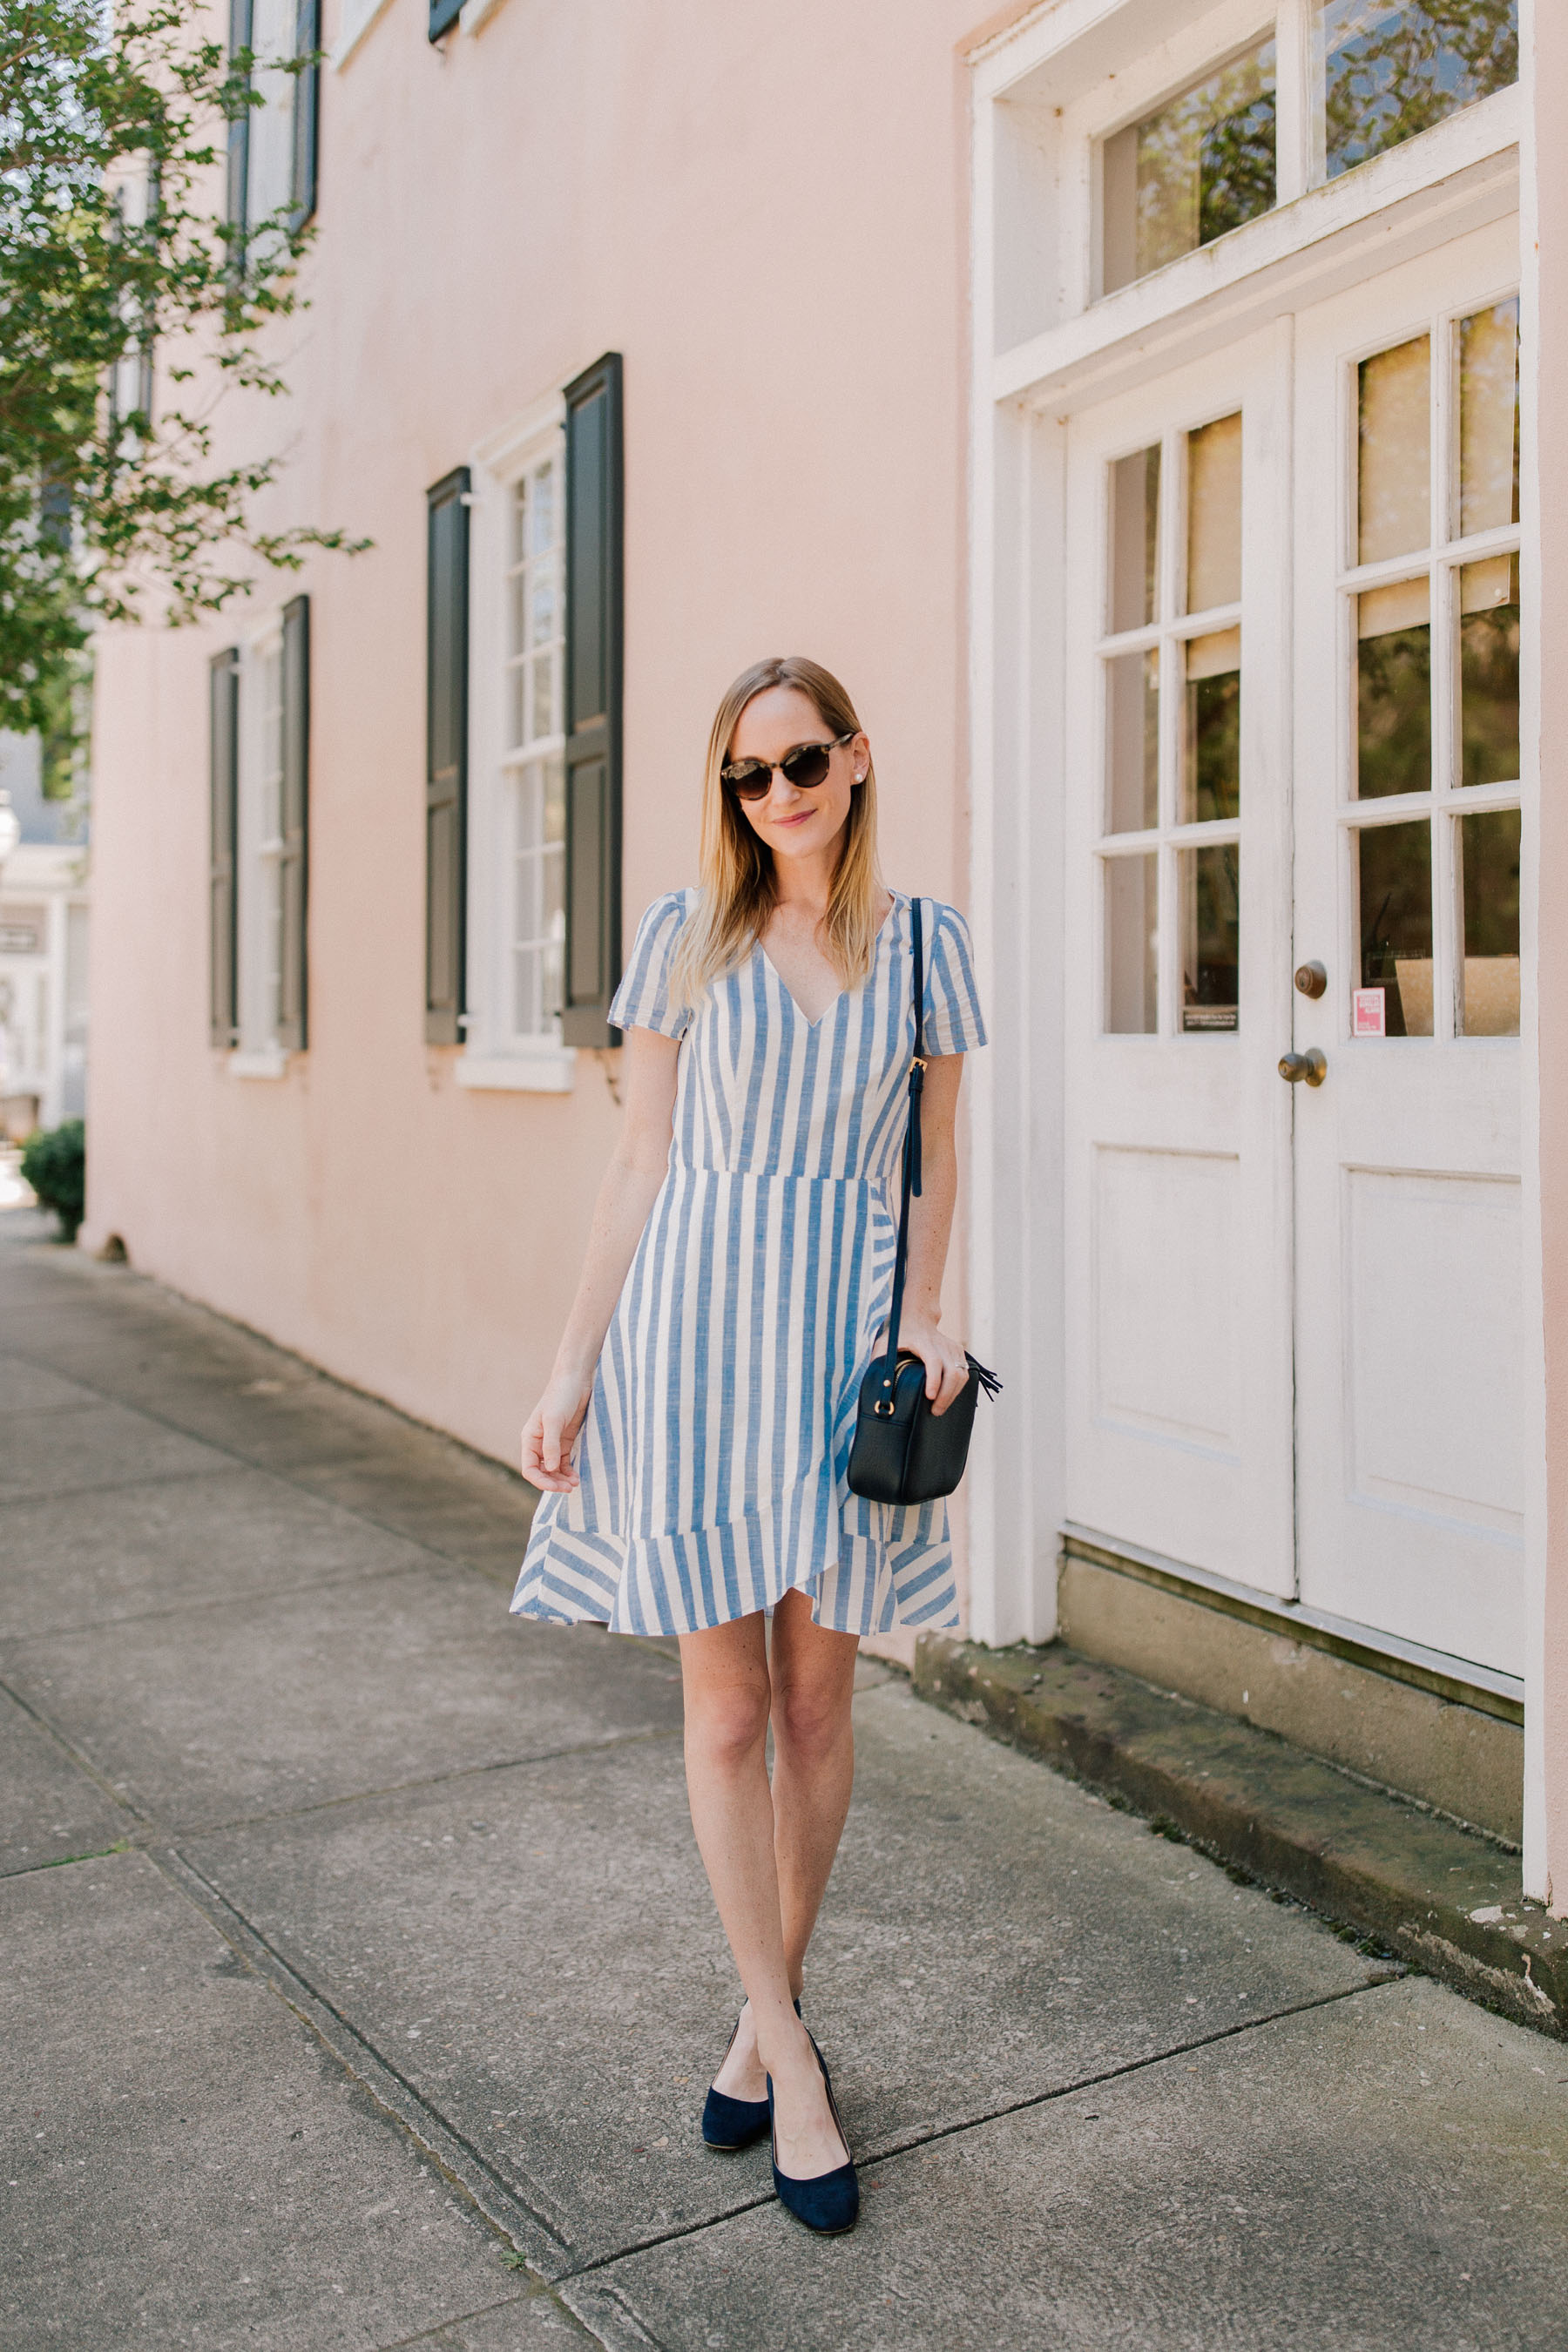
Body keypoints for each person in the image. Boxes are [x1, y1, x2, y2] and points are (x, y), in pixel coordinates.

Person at [512, 654, 986, 2234]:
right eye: (743, 776)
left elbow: (936, 1159)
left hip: (840, 1345)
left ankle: (754, 2024)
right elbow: (636, 1168)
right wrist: (570, 1372)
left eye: (795, 764)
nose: (771, 796)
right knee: (724, 1718)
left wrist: (927, 1316)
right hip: (694, 1350)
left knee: (815, 1703)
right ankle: (789, 2046)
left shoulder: (925, 948)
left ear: (853, 759)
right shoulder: (685, 937)